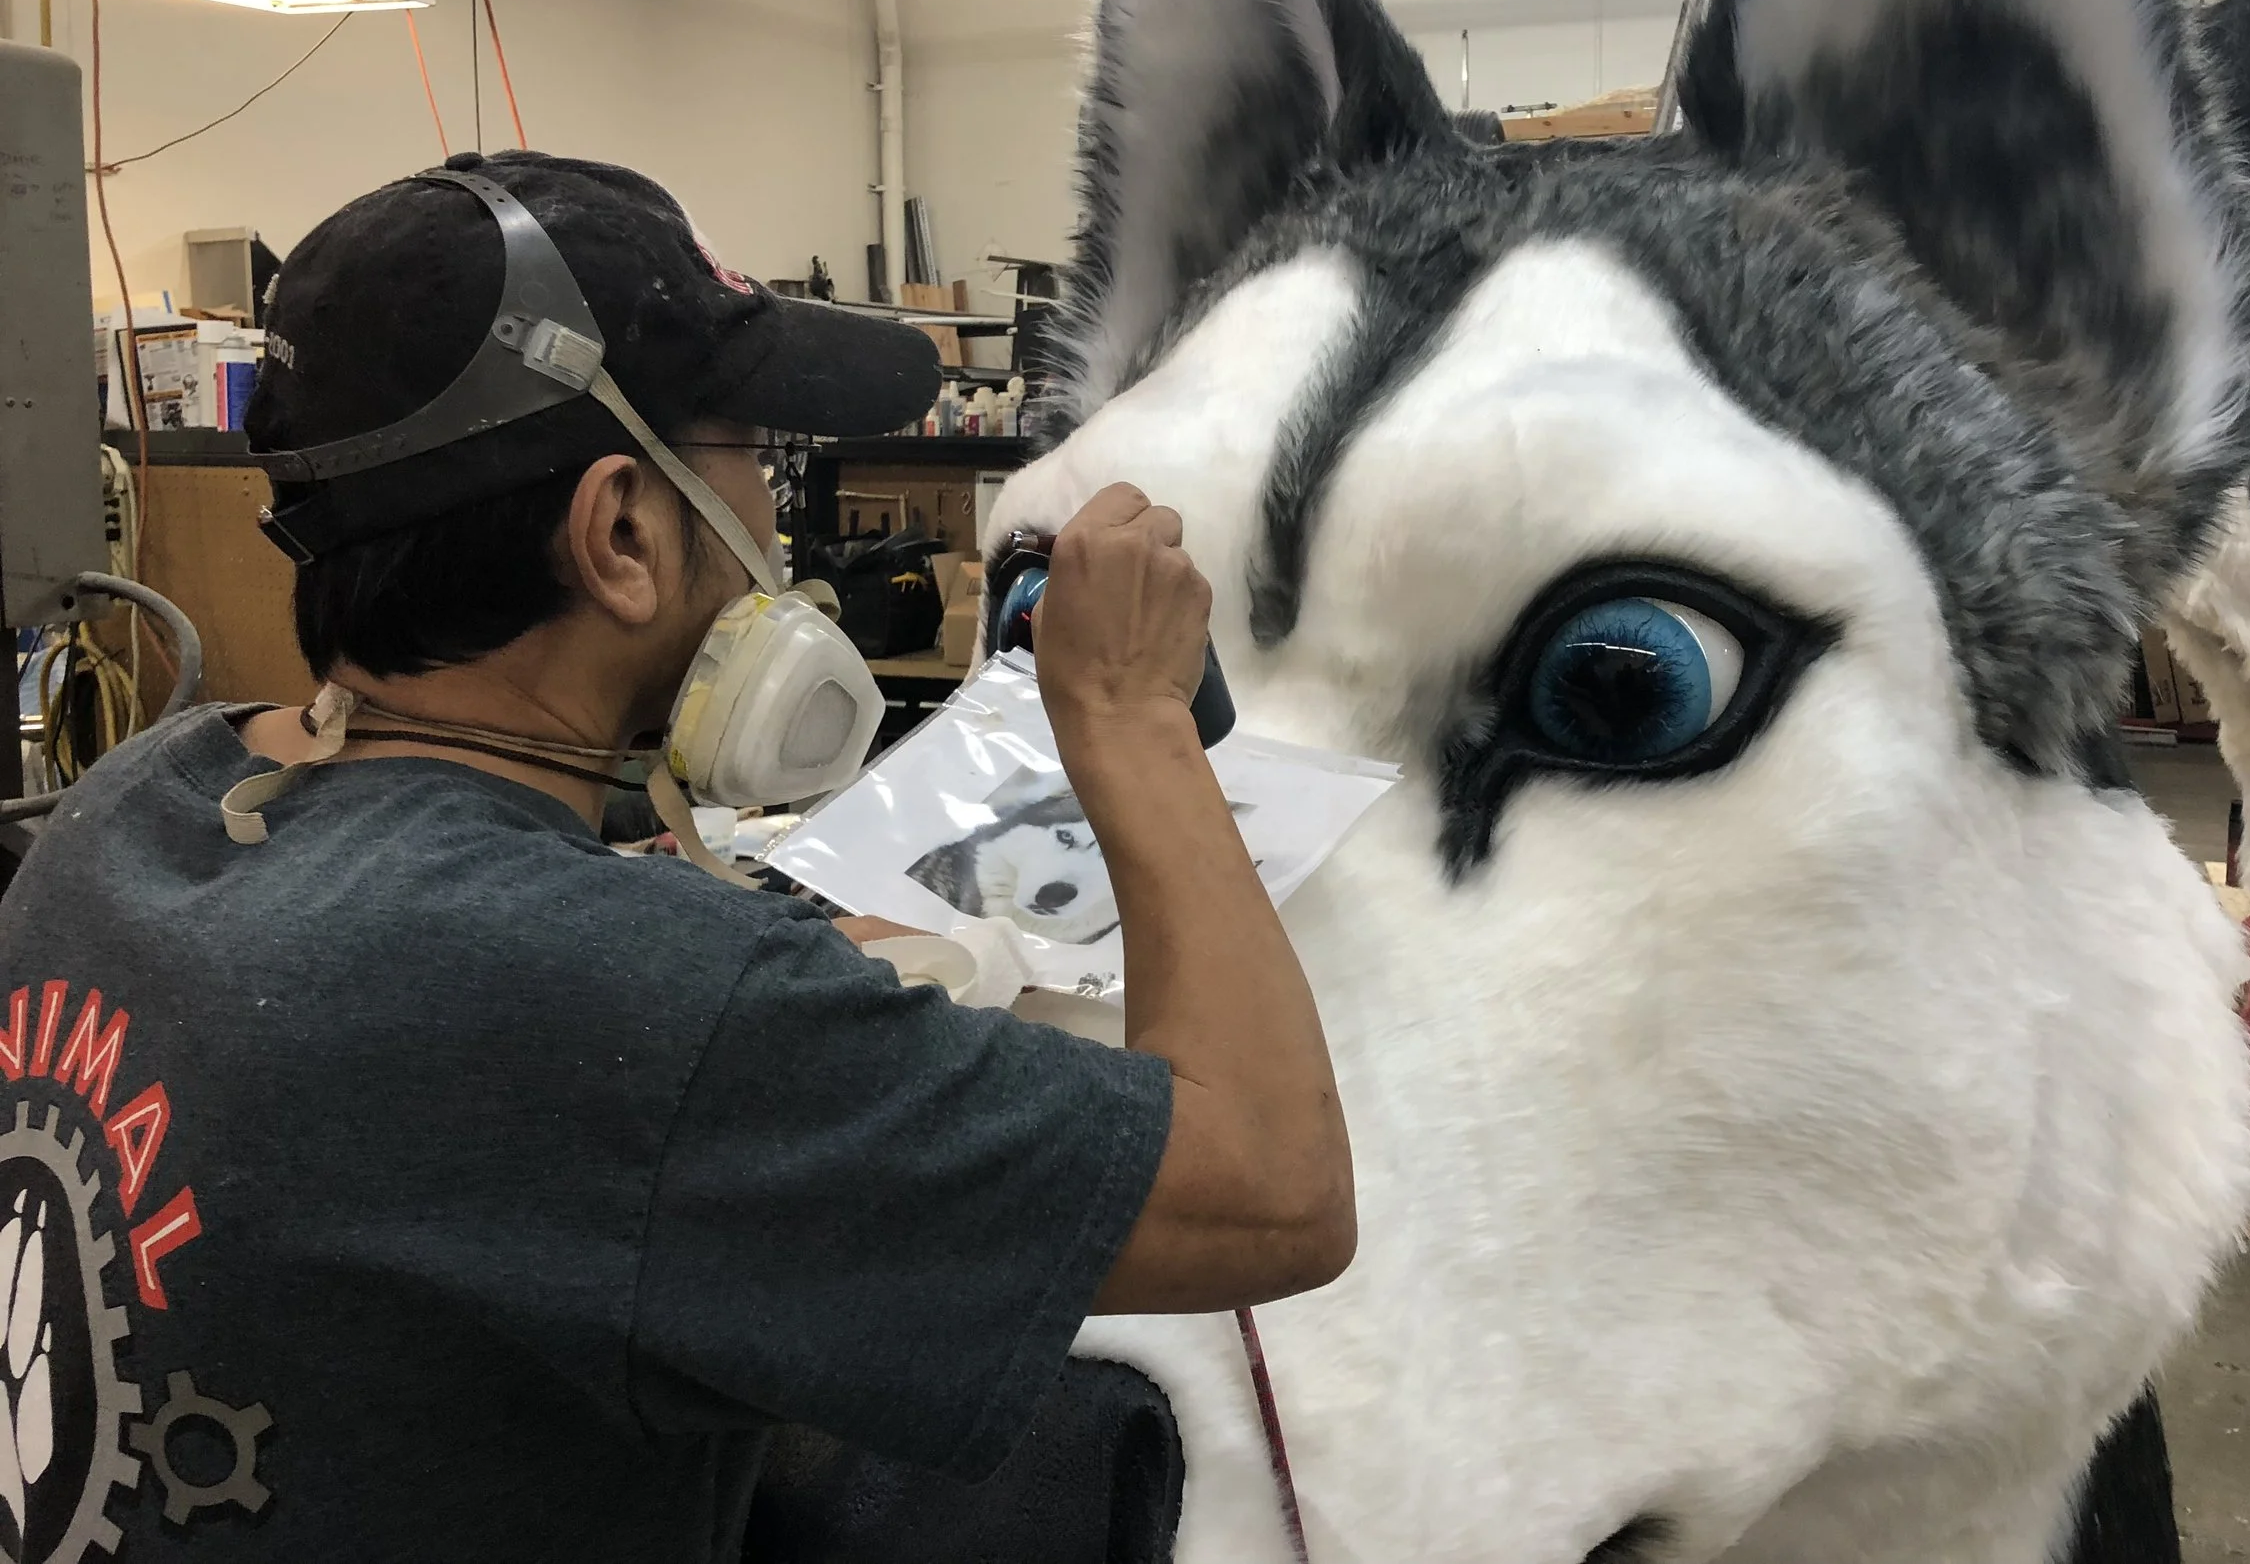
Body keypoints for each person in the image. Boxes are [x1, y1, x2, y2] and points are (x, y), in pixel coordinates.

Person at [0, 151, 1352, 1561]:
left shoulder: (135, 803)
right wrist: (1130, 717)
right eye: (755, 462)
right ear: (622, 533)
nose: (775, 525)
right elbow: (1279, 1188)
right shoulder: (620, 1003)